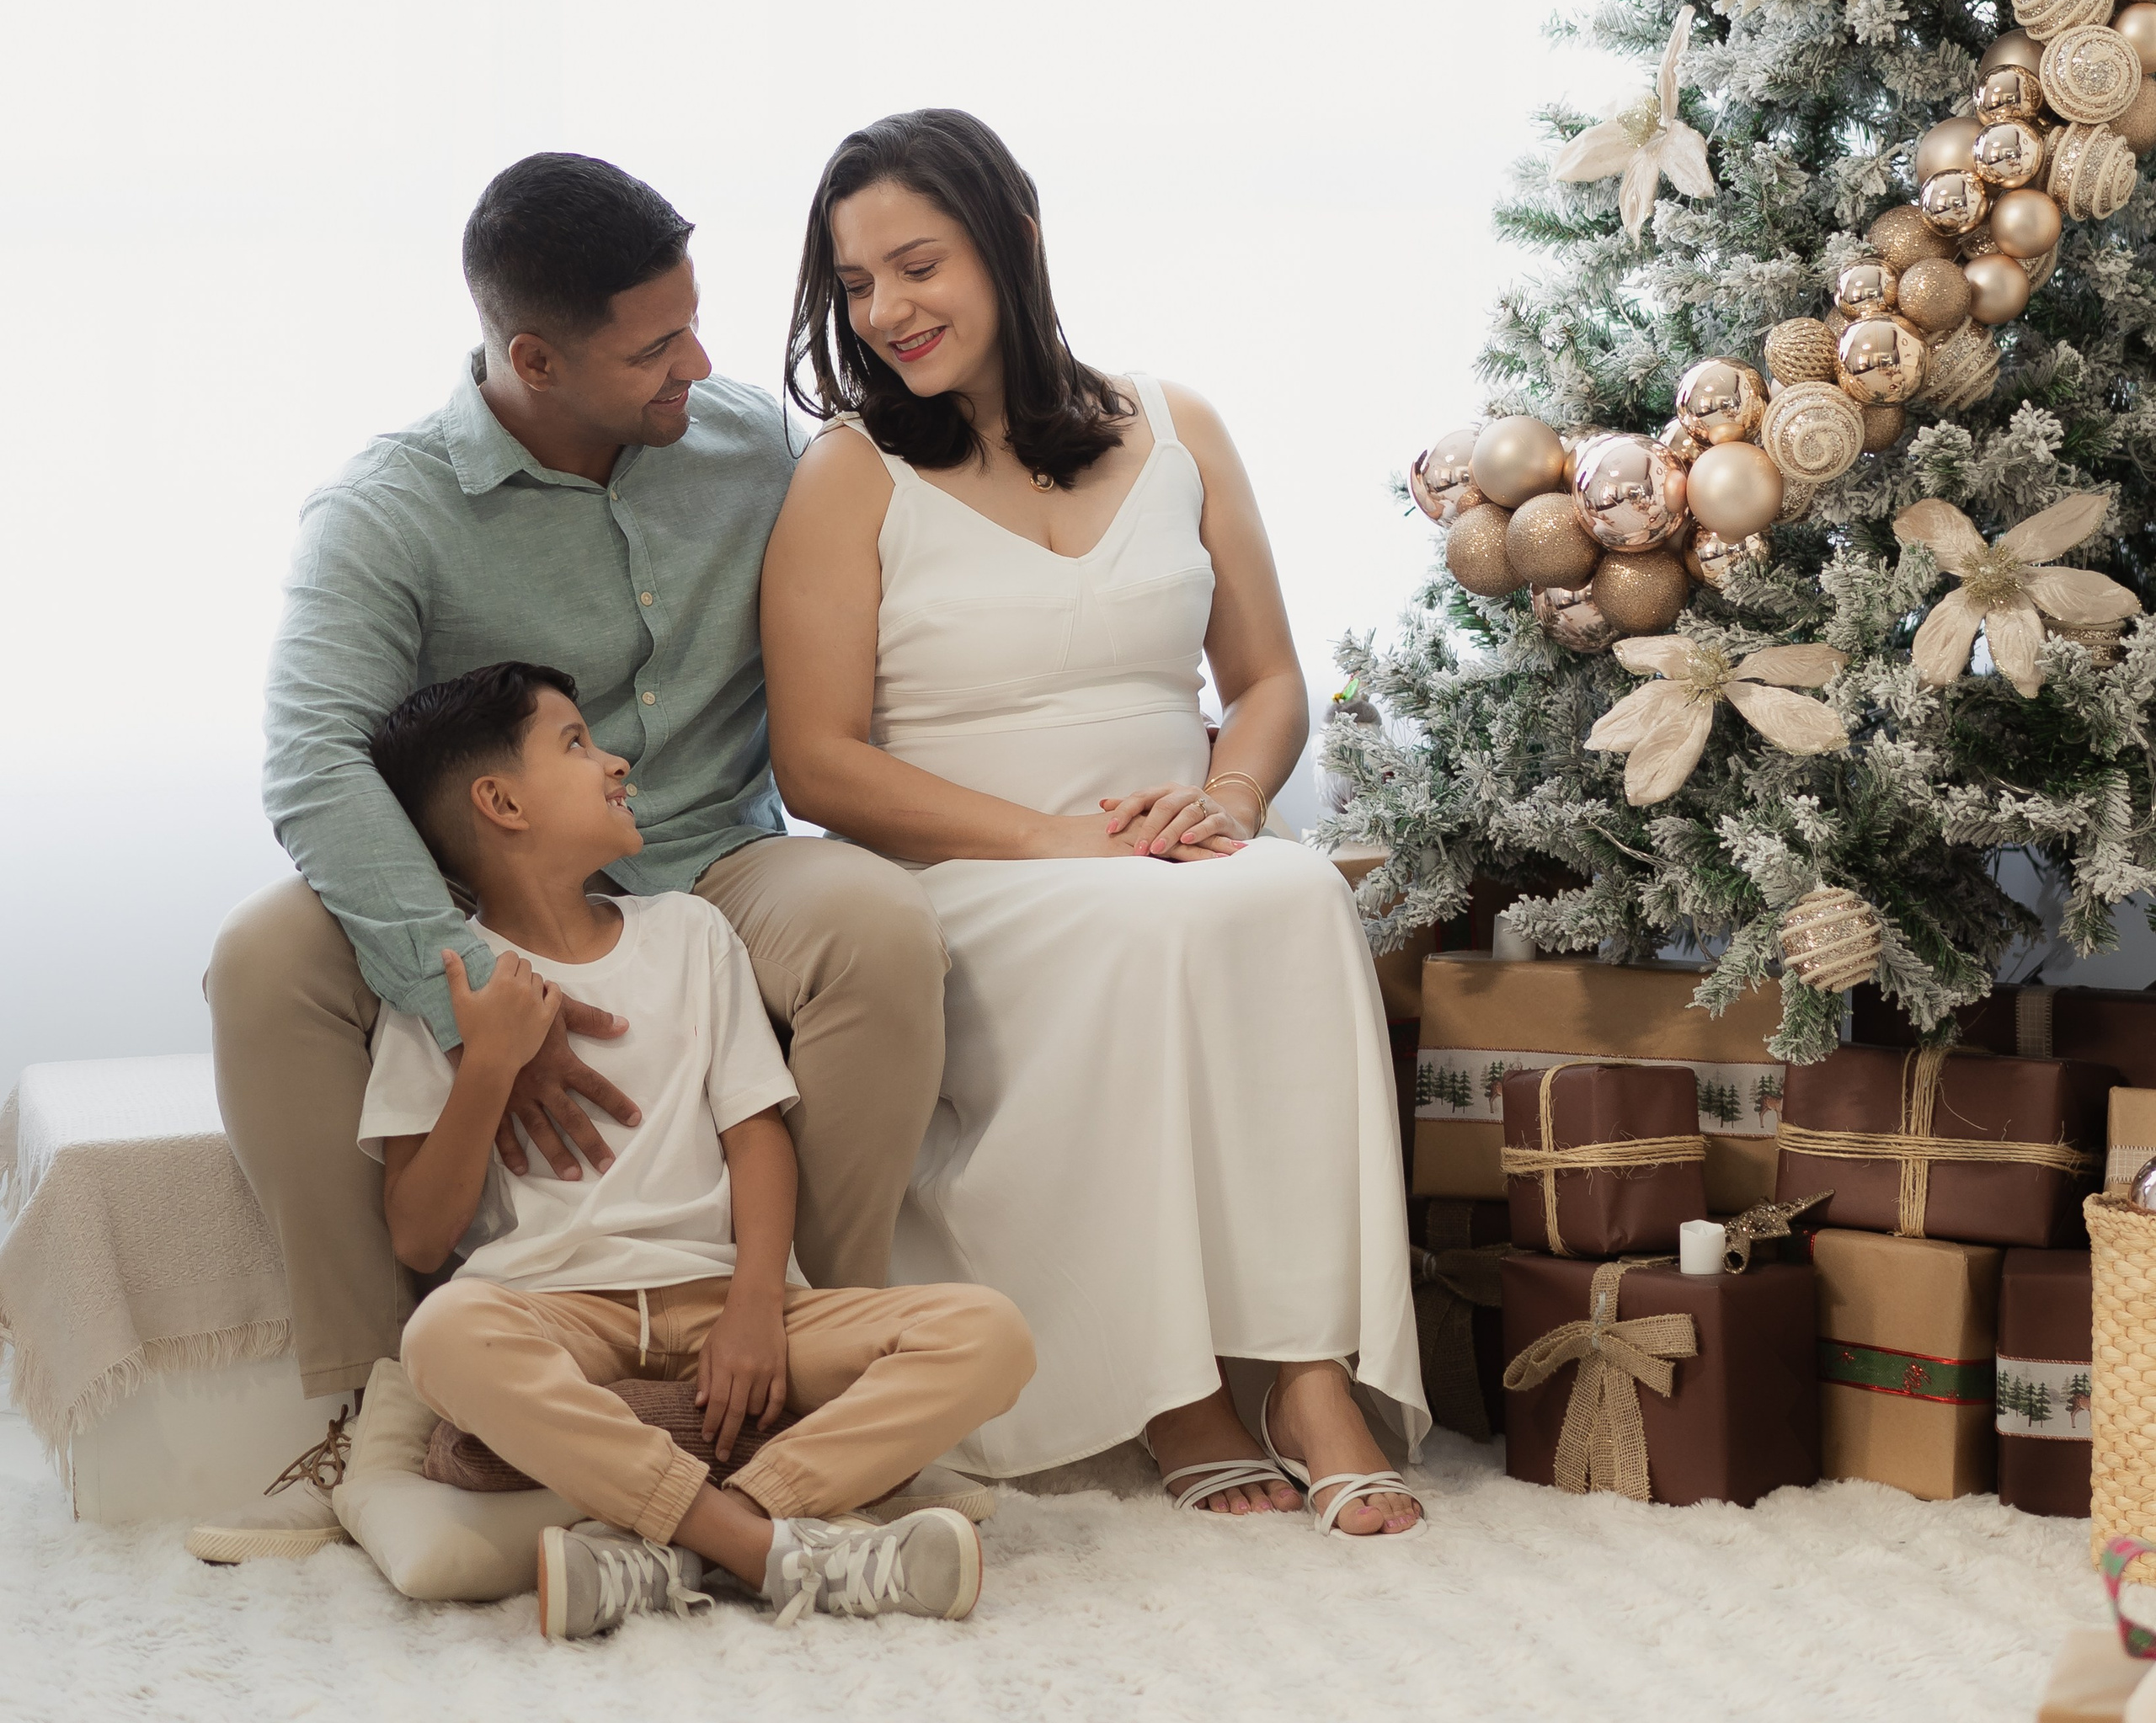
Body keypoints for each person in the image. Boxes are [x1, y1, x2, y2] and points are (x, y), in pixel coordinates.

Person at [195, 154, 950, 1562]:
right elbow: (312, 765)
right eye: (655, 347)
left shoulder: (752, 449)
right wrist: (479, 990)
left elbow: (923, 571)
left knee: (877, 929)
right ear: (532, 357)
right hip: (504, 890)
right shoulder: (386, 510)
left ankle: (793, 1364)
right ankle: (386, 1406)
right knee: (261, 962)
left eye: (695, 322)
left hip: (715, 856)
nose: (704, 364)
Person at [760, 109, 1428, 1539]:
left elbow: (1265, 684)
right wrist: (1064, 841)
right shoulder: (848, 472)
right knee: (1143, 926)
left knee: (1296, 894)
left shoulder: (1177, 427)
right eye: (857, 284)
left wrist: (1229, 798)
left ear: (1017, 237)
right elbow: (816, 764)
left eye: (916, 264)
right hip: (976, 871)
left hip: (1165, 848)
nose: (886, 311)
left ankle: (1307, 1374)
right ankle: (1167, 1381)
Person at [358, 661, 1033, 1636]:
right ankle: (761, 1543)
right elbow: (421, 1237)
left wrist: (759, 1303)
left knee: (989, 1332)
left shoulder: (688, 930)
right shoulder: (444, 990)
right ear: (501, 801)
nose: (615, 757)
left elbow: (756, 1134)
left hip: (726, 1300)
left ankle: (677, 1544)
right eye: (576, 743)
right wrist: (488, 1066)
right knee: (442, 1338)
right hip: (552, 1312)